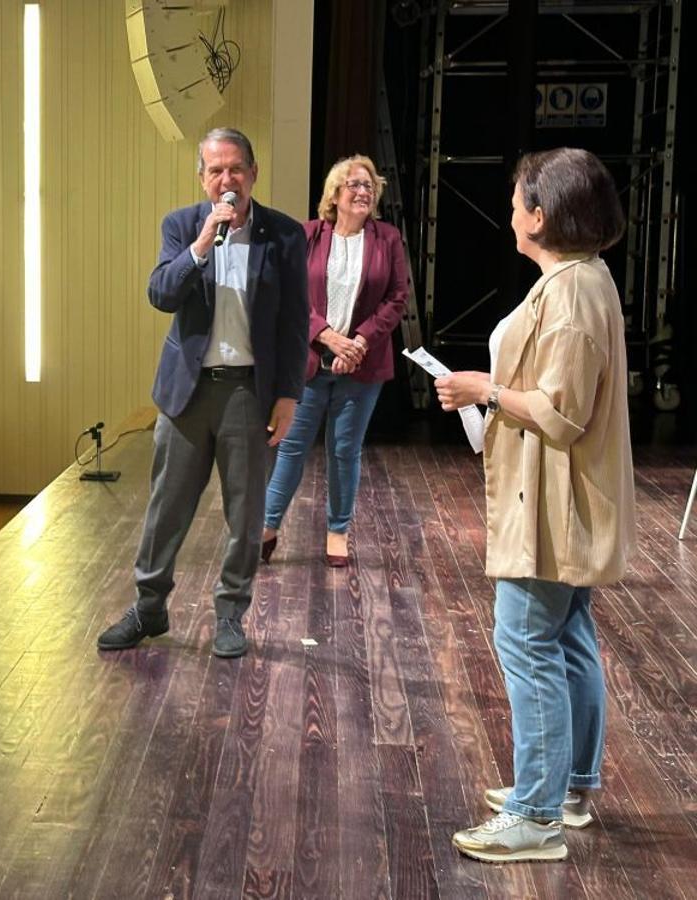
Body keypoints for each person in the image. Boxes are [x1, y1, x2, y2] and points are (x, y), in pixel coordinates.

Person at [435, 148, 635, 863]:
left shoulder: (575, 293)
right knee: (567, 637)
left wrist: (484, 391)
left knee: (527, 643)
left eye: (518, 201)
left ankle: (537, 814)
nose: (510, 212)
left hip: (555, 501)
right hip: (557, 496)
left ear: (542, 215)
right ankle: (567, 787)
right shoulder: (576, 281)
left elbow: (561, 413)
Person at [96, 127, 308, 659]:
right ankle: (149, 608)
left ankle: (231, 614)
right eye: (215, 170)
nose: (226, 180)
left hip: (247, 392)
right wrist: (200, 246)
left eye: (236, 168)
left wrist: (289, 395)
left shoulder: (283, 235)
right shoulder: (184, 225)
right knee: (165, 510)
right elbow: (161, 293)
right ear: (202, 177)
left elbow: (293, 321)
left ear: (253, 173)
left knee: (245, 514)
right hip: (187, 393)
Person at [261, 155, 409, 566]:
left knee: (345, 450)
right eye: (355, 185)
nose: (364, 192)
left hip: (363, 367)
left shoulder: (388, 239)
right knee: (291, 448)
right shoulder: (306, 235)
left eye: (369, 186)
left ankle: (338, 530)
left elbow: (397, 298)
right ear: (335, 195)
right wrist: (326, 337)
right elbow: (288, 295)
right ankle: (268, 526)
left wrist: (359, 341)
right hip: (308, 363)